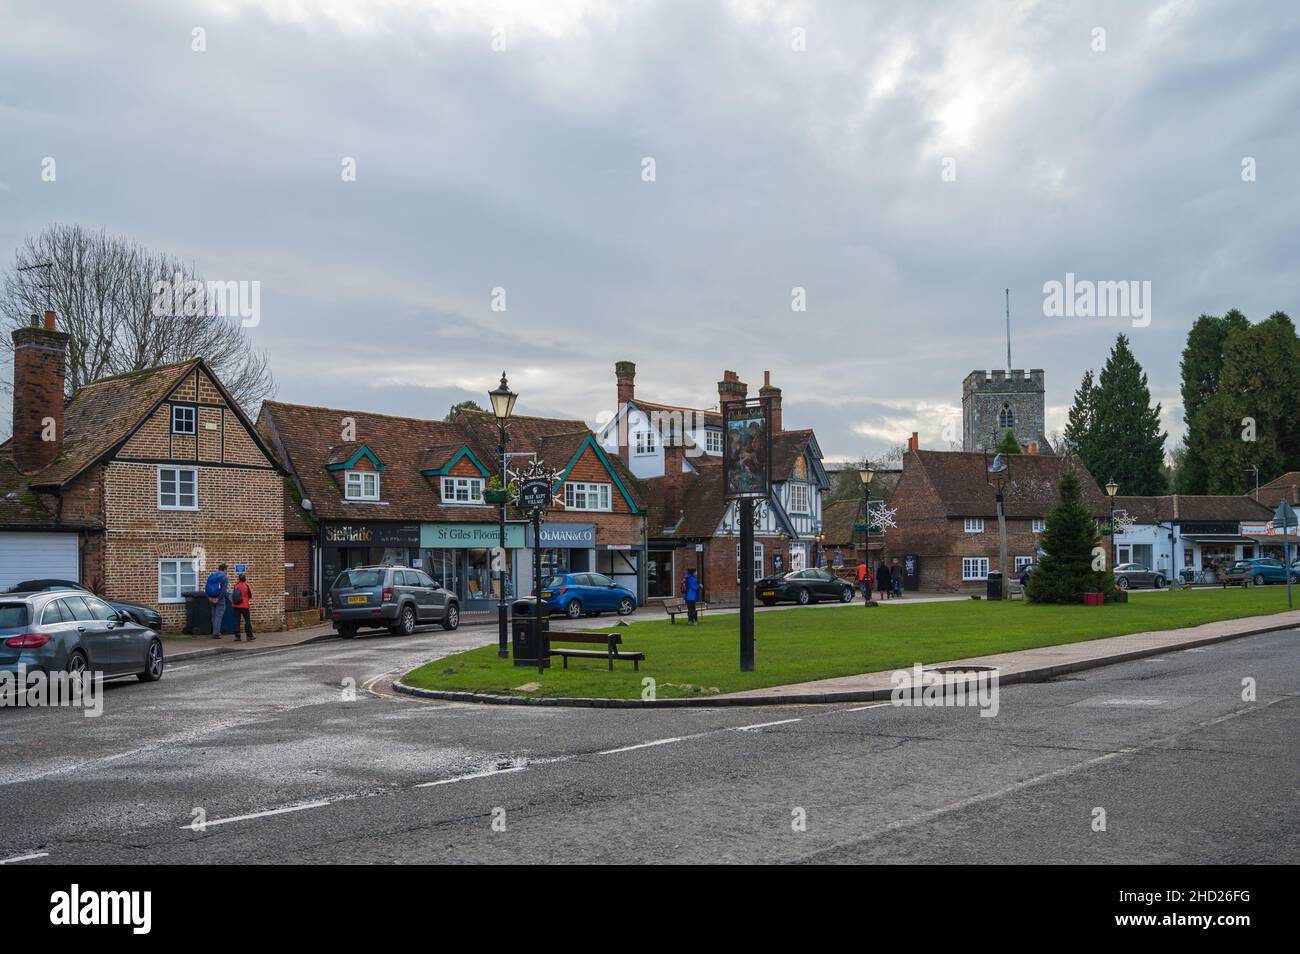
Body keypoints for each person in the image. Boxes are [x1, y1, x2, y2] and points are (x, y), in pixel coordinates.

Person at [205, 563, 230, 639]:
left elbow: (206, 587)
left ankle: (214, 632)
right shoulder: (224, 577)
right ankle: (216, 634)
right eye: (226, 570)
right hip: (219, 599)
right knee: (218, 616)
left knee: (214, 615)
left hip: (211, 597)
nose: (227, 571)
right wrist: (219, 598)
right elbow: (223, 590)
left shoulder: (212, 575)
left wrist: (209, 597)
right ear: (224, 569)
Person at [230, 572, 255, 642]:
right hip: (244, 605)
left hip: (236, 605)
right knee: (247, 620)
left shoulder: (236, 585)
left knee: (236, 621)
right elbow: (250, 595)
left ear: (239, 579)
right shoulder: (246, 585)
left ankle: (237, 636)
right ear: (245, 579)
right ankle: (249, 636)